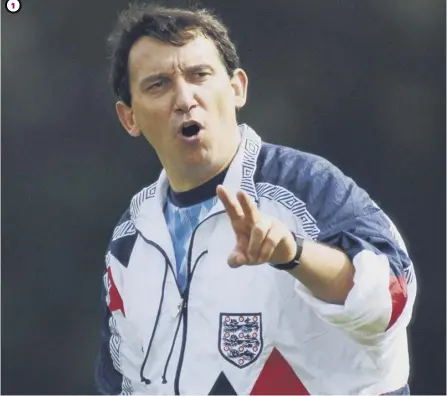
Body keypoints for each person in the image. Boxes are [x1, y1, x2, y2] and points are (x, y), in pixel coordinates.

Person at [95, 3, 417, 395]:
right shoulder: (130, 240)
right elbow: (121, 384)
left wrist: (294, 255)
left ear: (236, 88)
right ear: (129, 118)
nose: (184, 98)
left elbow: (390, 300)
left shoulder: (306, 187)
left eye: (200, 75)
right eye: (158, 84)